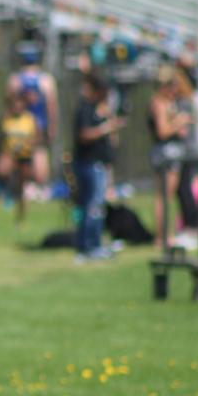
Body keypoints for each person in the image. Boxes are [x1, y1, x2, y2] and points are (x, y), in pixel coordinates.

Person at [73, 74, 125, 262]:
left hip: (99, 163)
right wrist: (105, 128)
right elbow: (84, 135)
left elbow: (113, 141)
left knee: (96, 205)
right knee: (92, 206)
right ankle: (89, 246)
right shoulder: (85, 110)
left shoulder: (99, 110)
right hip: (89, 164)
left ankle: (93, 243)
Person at [148, 66, 194, 246]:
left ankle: (168, 234)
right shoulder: (159, 103)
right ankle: (162, 237)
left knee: (168, 196)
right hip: (165, 153)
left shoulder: (168, 102)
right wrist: (179, 122)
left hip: (171, 152)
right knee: (163, 196)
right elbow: (162, 131)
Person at [6, 42, 58, 196]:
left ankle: (27, 186)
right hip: (39, 124)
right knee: (39, 154)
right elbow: (51, 105)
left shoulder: (15, 79)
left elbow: (8, 102)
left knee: (21, 156)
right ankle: (38, 187)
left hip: (20, 126)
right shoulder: (45, 80)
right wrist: (52, 126)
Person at [0, 91, 38, 222]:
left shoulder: (29, 119)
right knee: (2, 172)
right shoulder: (6, 119)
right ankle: (8, 193)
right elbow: (0, 138)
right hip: (10, 154)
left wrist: (27, 146)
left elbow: (35, 138)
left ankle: (21, 213)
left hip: (24, 155)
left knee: (22, 185)